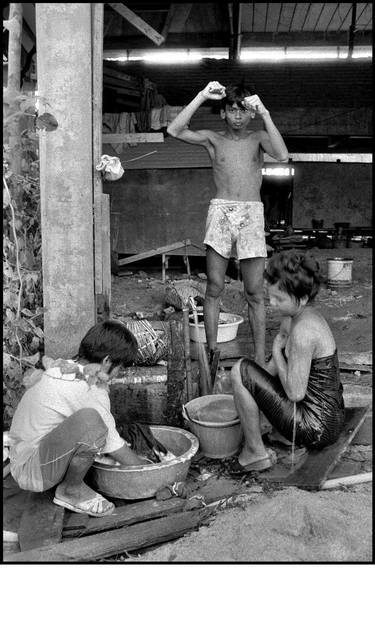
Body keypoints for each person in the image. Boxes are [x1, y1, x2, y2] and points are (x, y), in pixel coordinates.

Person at [167, 81, 288, 367]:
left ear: (250, 113)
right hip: (221, 211)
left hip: (251, 213)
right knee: (214, 286)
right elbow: (173, 130)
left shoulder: (258, 137)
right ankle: (211, 353)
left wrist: (266, 113)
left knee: (255, 291)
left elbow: (283, 155)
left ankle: (259, 357)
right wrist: (201, 95)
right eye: (231, 110)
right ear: (223, 113)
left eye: (243, 110)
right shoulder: (212, 138)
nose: (237, 116)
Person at [9, 320, 148, 517]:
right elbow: (112, 444)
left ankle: (68, 482)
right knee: (92, 423)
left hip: (21, 456)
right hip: (33, 473)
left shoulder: (64, 367)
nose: (118, 374)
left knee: (93, 423)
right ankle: (71, 491)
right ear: (107, 361)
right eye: (120, 367)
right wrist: (148, 469)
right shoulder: (89, 389)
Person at [230, 249, 345, 473]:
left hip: (316, 428)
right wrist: (245, 392)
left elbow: (294, 393)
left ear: (301, 298)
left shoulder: (303, 331)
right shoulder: (295, 317)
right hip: (330, 416)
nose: (272, 302)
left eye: (279, 298)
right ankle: (280, 436)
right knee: (245, 375)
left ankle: (255, 453)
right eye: (270, 295)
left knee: (238, 370)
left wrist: (273, 349)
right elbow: (271, 370)